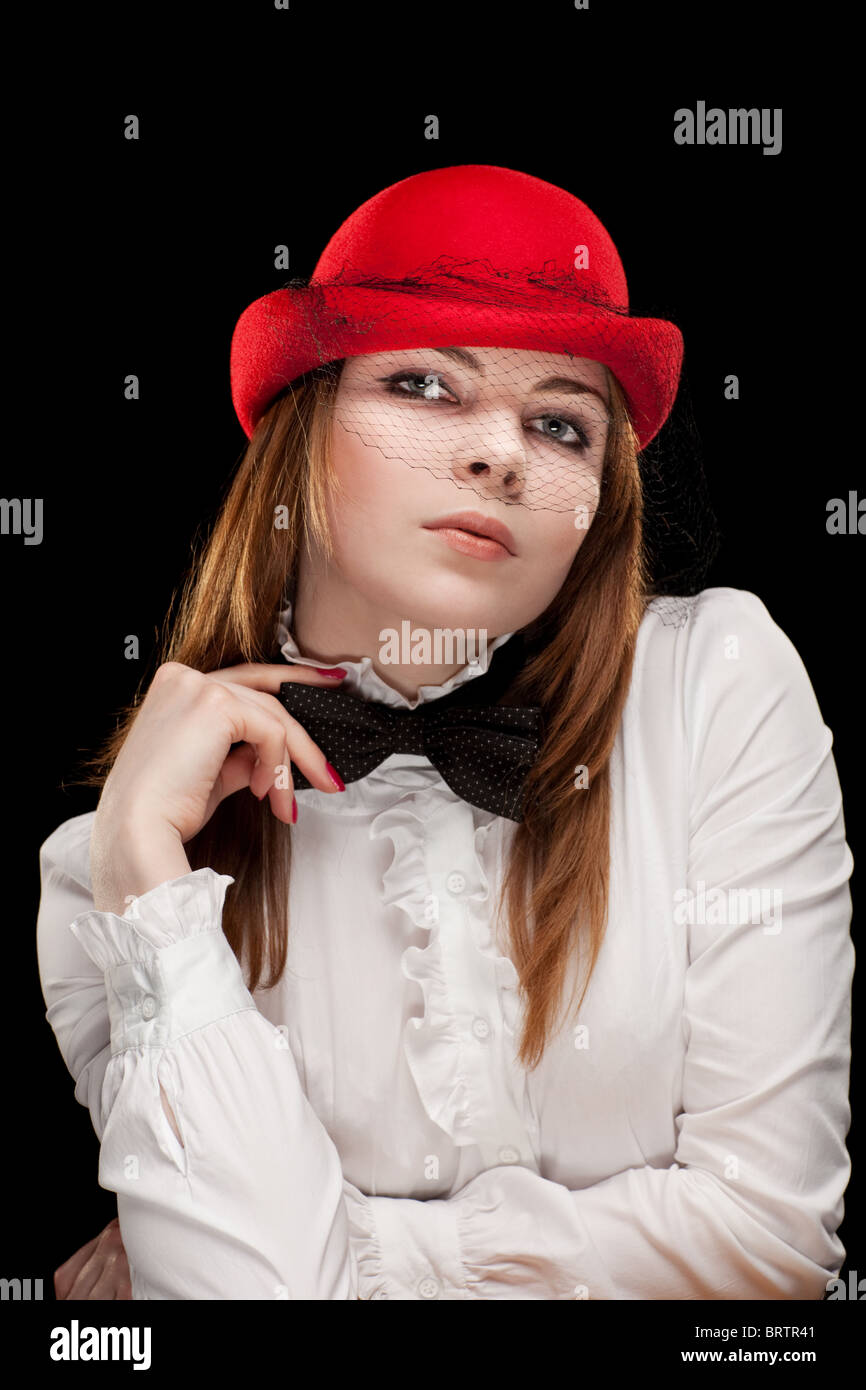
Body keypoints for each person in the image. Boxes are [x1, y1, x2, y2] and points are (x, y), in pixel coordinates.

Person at [37, 164, 854, 1300]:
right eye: (423, 384)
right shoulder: (115, 881)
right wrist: (143, 875)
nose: (499, 454)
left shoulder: (715, 681)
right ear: (302, 429)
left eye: (559, 421)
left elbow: (770, 1243)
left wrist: (351, 1251)